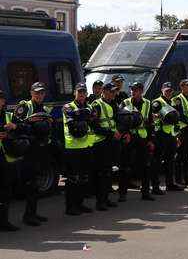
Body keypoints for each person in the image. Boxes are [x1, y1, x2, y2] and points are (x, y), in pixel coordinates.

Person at [14, 82, 54, 225]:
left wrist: (50, 123)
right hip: (28, 150)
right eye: (37, 92)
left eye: (42, 93)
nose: (39, 95)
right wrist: (29, 121)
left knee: (37, 183)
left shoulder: (44, 108)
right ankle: (28, 216)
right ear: (31, 93)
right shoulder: (24, 106)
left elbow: (48, 128)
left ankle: (33, 213)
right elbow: (16, 126)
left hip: (40, 149)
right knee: (30, 183)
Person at [61, 83, 96, 215]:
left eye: (83, 92)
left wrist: (82, 116)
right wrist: (85, 115)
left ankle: (80, 204)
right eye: (79, 91)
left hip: (87, 146)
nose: (81, 94)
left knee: (83, 178)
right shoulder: (68, 106)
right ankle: (70, 207)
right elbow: (72, 118)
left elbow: (94, 119)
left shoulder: (90, 106)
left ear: (86, 94)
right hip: (73, 148)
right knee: (72, 179)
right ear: (74, 93)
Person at [119, 82, 155, 201]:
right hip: (129, 137)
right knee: (125, 166)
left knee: (146, 166)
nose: (133, 92)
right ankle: (122, 193)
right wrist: (125, 133)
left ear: (141, 91)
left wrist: (151, 140)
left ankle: (145, 192)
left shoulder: (148, 103)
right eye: (132, 90)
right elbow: (119, 120)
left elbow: (151, 123)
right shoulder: (125, 103)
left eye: (136, 90)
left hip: (143, 138)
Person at [90, 82, 121, 210]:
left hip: (111, 142)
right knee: (101, 173)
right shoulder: (96, 105)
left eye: (114, 91)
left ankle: (106, 198)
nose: (113, 93)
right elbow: (95, 126)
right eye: (111, 91)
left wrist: (121, 132)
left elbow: (117, 120)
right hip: (100, 143)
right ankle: (100, 202)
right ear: (104, 91)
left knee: (108, 172)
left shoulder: (113, 104)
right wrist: (111, 133)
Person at [151, 82, 184, 193]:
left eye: (170, 91)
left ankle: (170, 184)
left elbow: (176, 120)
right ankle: (155, 187)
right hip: (160, 134)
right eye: (166, 91)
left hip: (171, 134)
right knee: (157, 161)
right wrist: (159, 116)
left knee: (170, 160)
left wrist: (177, 136)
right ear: (162, 90)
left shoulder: (173, 102)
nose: (169, 93)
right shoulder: (157, 102)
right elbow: (152, 117)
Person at [1, 89, 24, 231]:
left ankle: (4, 222)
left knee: (6, 192)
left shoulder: (9, 115)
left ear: (3, 101)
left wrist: (15, 126)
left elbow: (24, 127)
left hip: (6, 158)